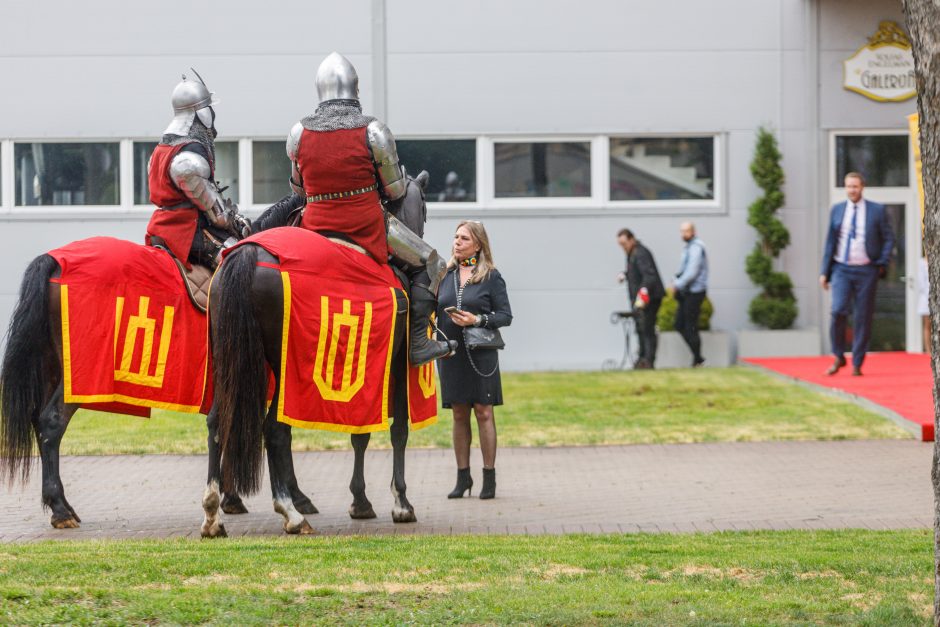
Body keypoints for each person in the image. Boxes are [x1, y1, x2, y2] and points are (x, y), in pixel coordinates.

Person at [286, 52, 454, 366]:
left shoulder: (298, 132)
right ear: (355, 90)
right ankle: (419, 343)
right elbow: (395, 190)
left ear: (320, 91)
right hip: (364, 223)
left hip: (314, 225)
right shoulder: (373, 130)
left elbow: (298, 190)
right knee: (433, 263)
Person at [437, 221, 512, 500]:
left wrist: (477, 319)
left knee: (483, 411)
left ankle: (488, 478)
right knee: (458, 413)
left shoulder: (491, 276)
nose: (457, 242)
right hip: (451, 354)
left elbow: (505, 316)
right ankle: (462, 477)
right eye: (456, 237)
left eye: (464, 238)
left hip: (481, 354)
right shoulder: (444, 274)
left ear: (478, 244)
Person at [145, 71, 250, 270]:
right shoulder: (188, 160)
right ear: (201, 112)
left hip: (161, 227)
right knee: (240, 263)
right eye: (208, 107)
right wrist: (238, 223)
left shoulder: (162, 148)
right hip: (186, 231)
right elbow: (217, 215)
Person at [819, 172, 894, 376]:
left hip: (866, 270)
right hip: (841, 269)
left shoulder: (877, 210)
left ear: (863, 187)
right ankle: (838, 355)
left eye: (855, 186)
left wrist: (882, 263)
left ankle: (857, 363)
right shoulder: (837, 210)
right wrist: (824, 272)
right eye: (849, 186)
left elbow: (888, 238)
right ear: (845, 188)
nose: (852, 190)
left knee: (863, 317)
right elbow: (830, 244)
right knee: (837, 311)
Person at [617, 228, 665, 369]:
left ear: (632, 240)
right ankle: (642, 358)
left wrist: (643, 294)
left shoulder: (641, 253)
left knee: (647, 328)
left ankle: (648, 361)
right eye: (620, 244)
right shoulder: (632, 253)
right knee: (640, 328)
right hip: (641, 299)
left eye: (624, 243)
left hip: (650, 298)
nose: (622, 247)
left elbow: (649, 275)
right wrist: (625, 274)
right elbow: (636, 271)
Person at [671, 222, 709, 367]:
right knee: (679, 324)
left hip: (695, 292)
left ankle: (697, 359)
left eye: (686, 231)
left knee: (690, 325)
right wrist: (676, 280)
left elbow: (692, 271)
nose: (683, 234)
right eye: (681, 231)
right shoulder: (688, 247)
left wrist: (677, 284)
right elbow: (684, 269)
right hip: (686, 291)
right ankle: (698, 357)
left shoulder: (696, 247)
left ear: (693, 231)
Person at [919, 256, 931, 356]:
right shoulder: (921, 262)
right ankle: (928, 350)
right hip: (926, 298)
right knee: (927, 324)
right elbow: (921, 283)